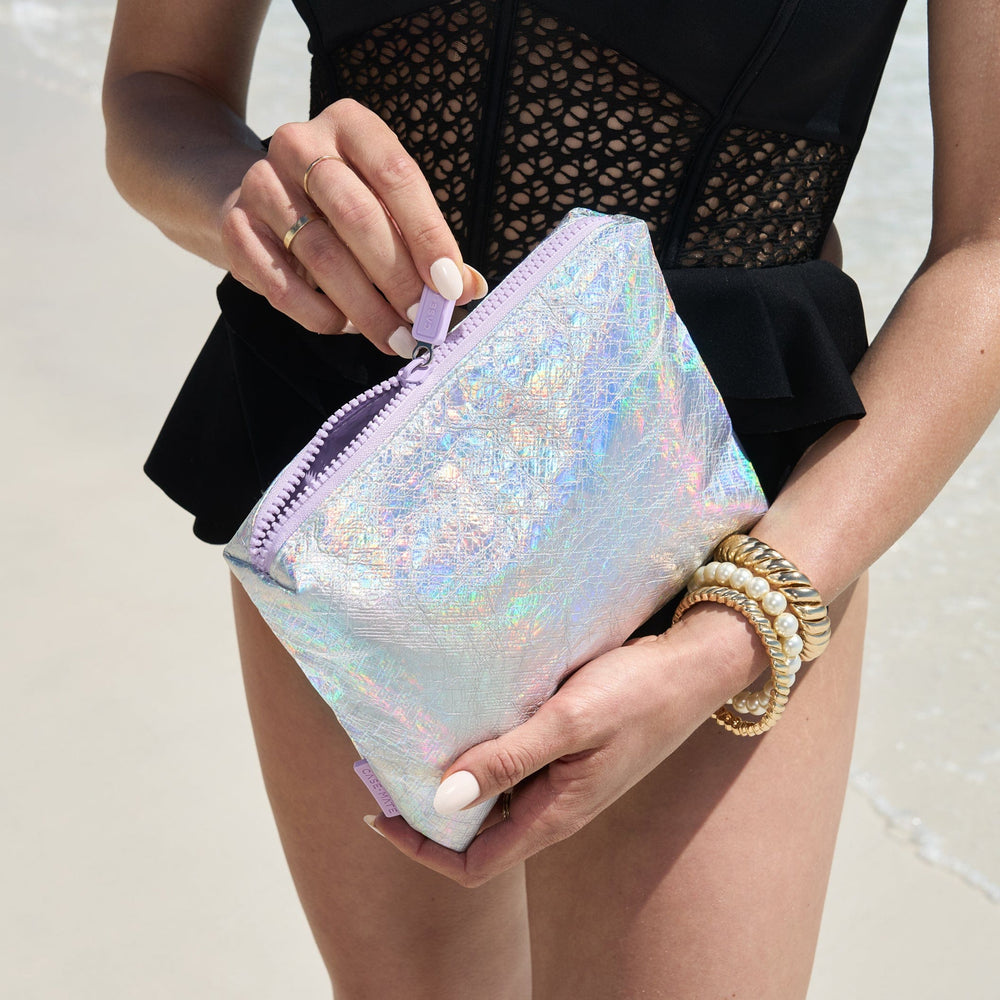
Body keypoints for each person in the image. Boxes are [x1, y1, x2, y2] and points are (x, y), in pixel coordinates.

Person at [103, 2, 1000, 996]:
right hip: (363, 470)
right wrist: (270, 204)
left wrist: (730, 635)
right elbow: (157, 90)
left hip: (703, 498)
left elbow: (989, 250)